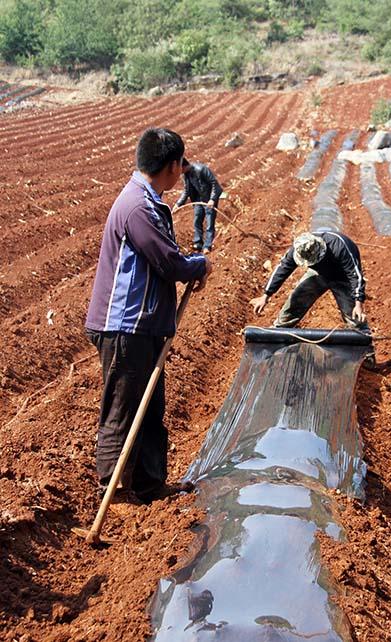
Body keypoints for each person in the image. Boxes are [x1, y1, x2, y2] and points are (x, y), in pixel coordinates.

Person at [85, 128, 212, 512]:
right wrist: (199, 264)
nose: (181, 176)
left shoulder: (148, 202)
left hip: (144, 327)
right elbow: (168, 261)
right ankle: (115, 495)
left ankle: (150, 486)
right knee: (122, 411)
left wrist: (191, 266)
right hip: (124, 326)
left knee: (151, 412)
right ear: (172, 166)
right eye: (180, 167)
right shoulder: (137, 207)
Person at [250, 231, 374, 364]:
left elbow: (355, 275)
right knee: (296, 300)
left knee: (354, 317)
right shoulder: (298, 248)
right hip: (318, 273)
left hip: (343, 276)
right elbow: (282, 269)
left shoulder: (339, 247)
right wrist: (266, 295)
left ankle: (366, 352)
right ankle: (276, 336)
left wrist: (358, 303)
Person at [172, 159, 223, 253]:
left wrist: (212, 199)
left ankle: (207, 246)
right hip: (198, 200)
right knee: (197, 220)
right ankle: (198, 243)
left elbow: (215, 184)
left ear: (182, 167)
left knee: (209, 223)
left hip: (208, 200)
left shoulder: (201, 169)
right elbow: (187, 191)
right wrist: (178, 204)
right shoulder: (186, 175)